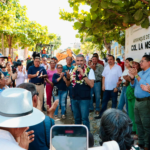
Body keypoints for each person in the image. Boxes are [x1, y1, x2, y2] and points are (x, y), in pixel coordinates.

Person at [17, 83, 58, 150]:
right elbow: (51, 143)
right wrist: (49, 116)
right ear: (35, 98)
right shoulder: (47, 121)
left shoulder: (8, 123)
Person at [68, 54, 95, 131]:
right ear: (75, 61)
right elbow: (68, 84)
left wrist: (83, 74)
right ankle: (78, 136)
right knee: (77, 119)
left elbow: (91, 85)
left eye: (81, 60)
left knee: (85, 119)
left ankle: (87, 137)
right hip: (74, 98)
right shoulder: (72, 70)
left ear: (84, 61)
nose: (79, 62)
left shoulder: (90, 70)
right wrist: (67, 77)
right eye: (78, 60)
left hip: (84, 99)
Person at [129, 55, 150, 150]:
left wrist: (136, 76)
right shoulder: (140, 72)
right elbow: (133, 86)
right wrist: (132, 78)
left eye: (142, 61)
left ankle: (147, 145)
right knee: (138, 122)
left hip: (145, 102)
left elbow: (145, 86)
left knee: (146, 124)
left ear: (148, 62)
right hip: (137, 101)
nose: (140, 63)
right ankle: (141, 142)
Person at [95, 55, 122, 119]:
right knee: (104, 102)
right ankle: (102, 115)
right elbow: (103, 77)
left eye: (111, 59)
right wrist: (103, 85)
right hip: (106, 88)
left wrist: (117, 87)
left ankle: (113, 117)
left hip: (114, 88)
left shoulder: (118, 67)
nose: (109, 60)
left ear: (114, 60)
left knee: (114, 103)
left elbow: (120, 78)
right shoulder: (106, 67)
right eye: (108, 59)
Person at [126, 59, 141, 139]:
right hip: (129, 94)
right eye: (133, 63)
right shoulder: (131, 72)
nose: (134, 65)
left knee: (137, 116)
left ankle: (138, 133)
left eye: (136, 63)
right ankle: (133, 130)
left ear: (139, 65)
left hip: (136, 96)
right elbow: (127, 82)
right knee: (131, 114)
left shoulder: (140, 74)